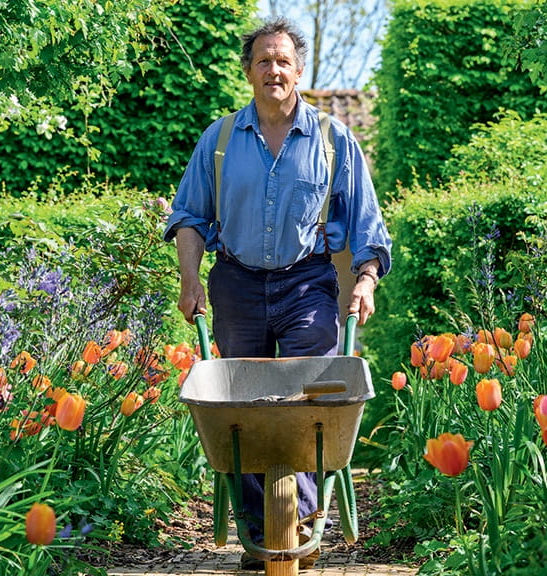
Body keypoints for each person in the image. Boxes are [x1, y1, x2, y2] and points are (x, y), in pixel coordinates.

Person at [163, 16, 391, 569]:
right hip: (237, 283)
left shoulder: (334, 141)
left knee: (308, 401)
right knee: (240, 409)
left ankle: (299, 524)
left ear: (299, 70)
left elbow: (366, 225)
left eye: (283, 60)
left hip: (307, 284)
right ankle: (259, 528)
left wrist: (365, 280)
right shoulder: (218, 141)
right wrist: (190, 279)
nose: (273, 69)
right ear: (248, 71)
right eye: (263, 60)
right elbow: (190, 217)